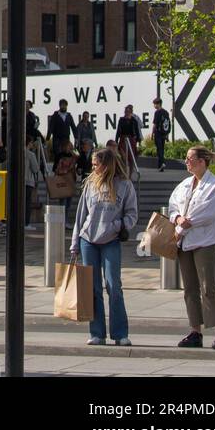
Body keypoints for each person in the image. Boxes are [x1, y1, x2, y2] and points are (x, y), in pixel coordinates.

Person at [70, 146, 137, 346]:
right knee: (92, 288)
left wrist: (117, 226)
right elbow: (81, 216)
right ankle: (97, 333)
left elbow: (132, 215)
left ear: (106, 165)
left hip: (111, 240)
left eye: (96, 164)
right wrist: (74, 244)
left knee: (113, 285)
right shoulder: (90, 184)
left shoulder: (125, 185)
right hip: (88, 240)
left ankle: (120, 333)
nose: (93, 167)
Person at [168, 146, 215, 350]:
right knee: (190, 289)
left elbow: (208, 213)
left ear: (202, 161)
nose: (186, 162)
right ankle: (195, 331)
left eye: (190, 159)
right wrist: (177, 218)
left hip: (204, 242)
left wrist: (185, 224)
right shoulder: (184, 184)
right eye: (186, 158)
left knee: (208, 287)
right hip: (184, 243)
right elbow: (173, 206)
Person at [52, 140, 79, 226]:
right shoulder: (60, 156)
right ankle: (62, 221)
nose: (69, 148)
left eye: (70, 146)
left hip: (70, 180)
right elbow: (54, 168)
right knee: (63, 202)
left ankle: (65, 221)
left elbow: (78, 159)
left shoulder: (73, 156)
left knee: (68, 203)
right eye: (68, 146)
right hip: (63, 180)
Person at [115, 105, 143, 171]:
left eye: (128, 112)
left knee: (131, 157)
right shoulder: (121, 120)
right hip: (123, 138)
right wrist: (116, 140)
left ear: (131, 112)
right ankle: (123, 170)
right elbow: (118, 130)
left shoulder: (134, 121)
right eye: (126, 112)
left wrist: (139, 141)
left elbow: (137, 131)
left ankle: (130, 171)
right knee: (122, 155)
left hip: (131, 139)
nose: (127, 113)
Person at [25, 137, 41, 231]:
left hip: (17, 182)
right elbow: (35, 168)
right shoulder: (30, 154)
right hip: (28, 181)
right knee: (27, 203)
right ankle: (26, 223)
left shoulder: (15, 152)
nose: (32, 144)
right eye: (31, 143)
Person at [75, 111, 97, 178]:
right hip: (83, 144)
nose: (86, 118)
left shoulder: (90, 124)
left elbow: (93, 134)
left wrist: (95, 142)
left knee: (91, 158)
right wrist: (77, 145)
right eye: (85, 116)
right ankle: (84, 173)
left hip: (90, 144)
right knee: (83, 158)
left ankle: (90, 171)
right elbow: (78, 136)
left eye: (87, 116)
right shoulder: (80, 125)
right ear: (83, 117)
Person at [151, 98, 171, 171]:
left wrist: (152, 133)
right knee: (162, 148)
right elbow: (167, 123)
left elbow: (155, 124)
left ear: (158, 104)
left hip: (158, 133)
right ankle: (160, 166)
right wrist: (167, 134)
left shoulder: (157, 112)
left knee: (159, 149)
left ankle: (162, 163)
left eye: (155, 104)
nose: (154, 106)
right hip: (164, 133)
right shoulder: (166, 112)